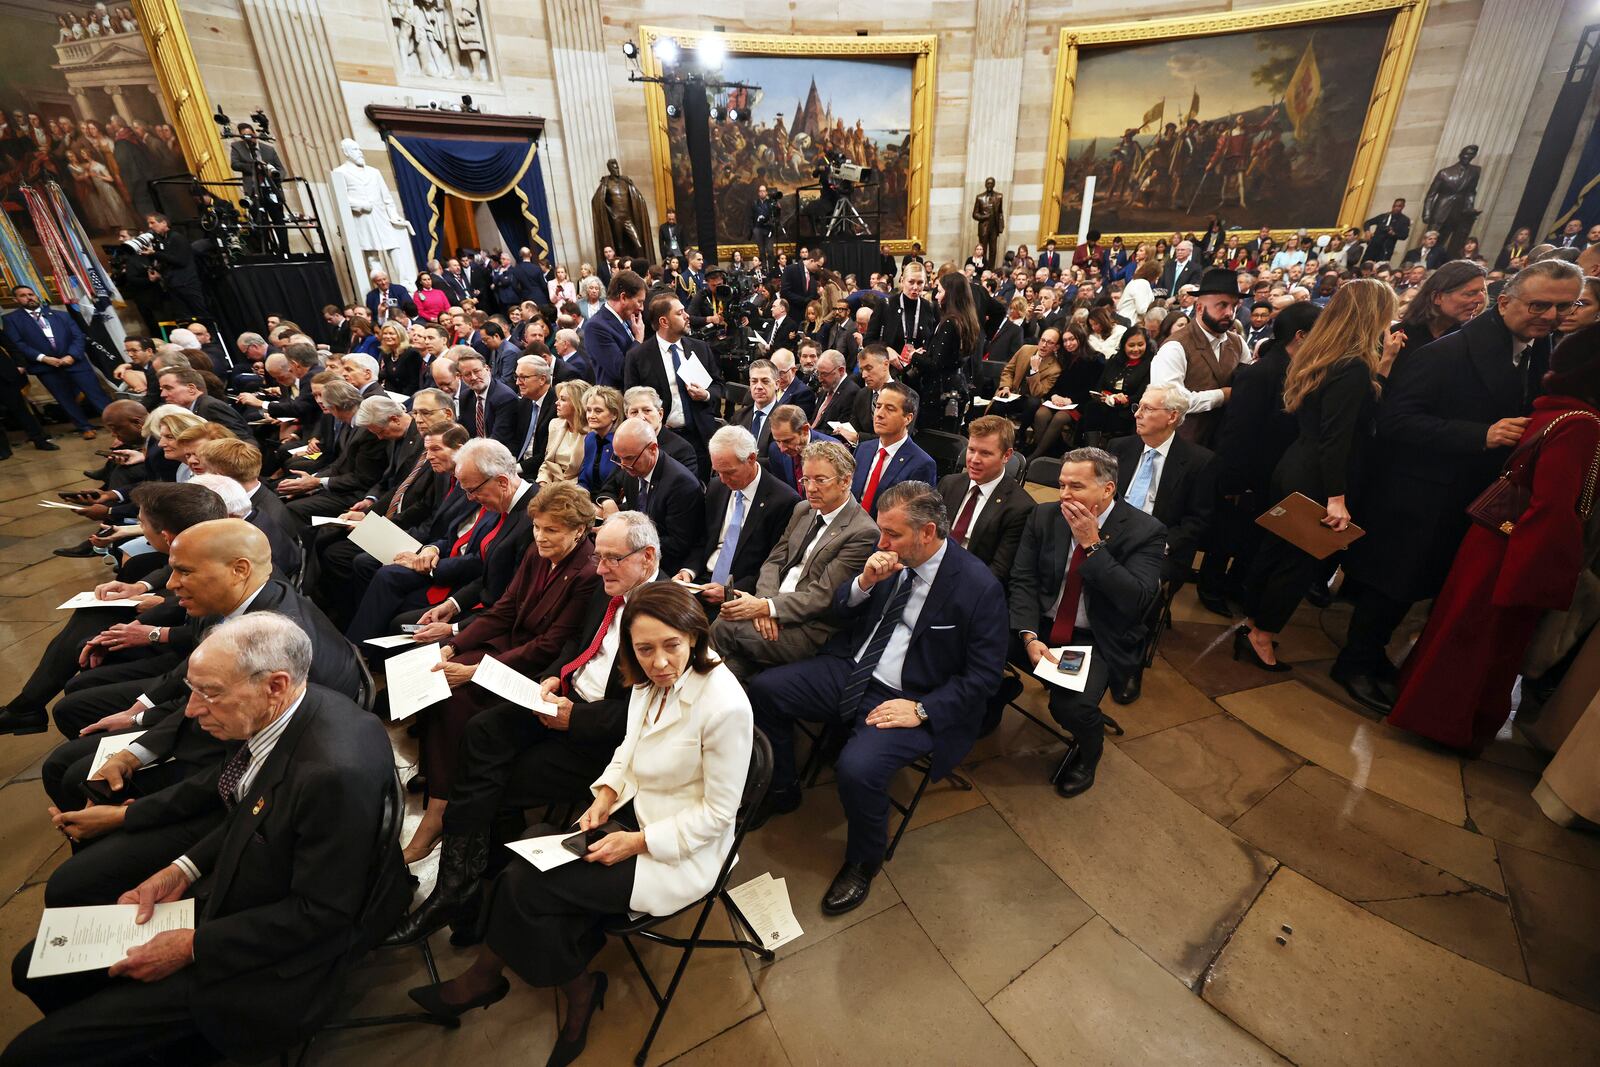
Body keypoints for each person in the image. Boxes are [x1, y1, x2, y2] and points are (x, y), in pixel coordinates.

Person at [4, 613, 407, 1066]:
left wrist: (193, 945)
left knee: (27, 1055)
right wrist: (182, 869)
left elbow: (323, 915)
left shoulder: (330, 774)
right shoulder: (288, 710)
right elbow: (249, 807)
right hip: (241, 898)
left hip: (272, 965)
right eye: (193, 690)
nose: (192, 710)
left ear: (275, 684)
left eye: (209, 693)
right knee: (32, 967)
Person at [406, 582, 750, 1067]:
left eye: (671, 645)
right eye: (644, 649)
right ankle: (559, 981)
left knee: (525, 884)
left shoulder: (725, 707)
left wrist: (637, 842)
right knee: (526, 848)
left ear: (694, 635)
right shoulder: (649, 681)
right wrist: (606, 794)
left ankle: (541, 984)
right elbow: (629, 747)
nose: (659, 662)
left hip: (680, 847)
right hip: (637, 810)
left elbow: (718, 816)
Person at [383, 512, 663, 946]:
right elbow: (576, 646)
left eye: (611, 558)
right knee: (480, 731)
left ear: (647, 558)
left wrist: (576, 717)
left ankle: (463, 894)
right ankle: (467, 888)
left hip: (602, 739)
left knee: (488, 784)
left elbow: (650, 715)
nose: (600, 566)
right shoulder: (611, 590)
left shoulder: (664, 618)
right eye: (600, 556)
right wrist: (553, 677)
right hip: (561, 700)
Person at [1333, 259, 1582, 711]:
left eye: (1563, 307)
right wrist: (1480, 434)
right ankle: (1353, 663)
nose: (1549, 316)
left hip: (1464, 495)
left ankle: (1373, 658)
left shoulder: (1538, 349)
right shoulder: (1447, 352)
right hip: (1419, 492)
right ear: (1504, 301)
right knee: (1392, 585)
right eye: (1539, 304)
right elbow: (1396, 421)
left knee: (1419, 587)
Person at [749, 481, 1005, 913]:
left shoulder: (978, 587)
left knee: (857, 769)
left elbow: (984, 676)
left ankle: (864, 861)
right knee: (763, 691)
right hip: (852, 668)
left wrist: (922, 709)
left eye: (893, 534)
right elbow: (839, 610)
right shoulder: (889, 561)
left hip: (910, 695)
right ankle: (784, 787)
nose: (880, 542)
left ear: (927, 533)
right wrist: (864, 583)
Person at [1386, 326, 1600, 751]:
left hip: (1495, 538)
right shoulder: (1583, 425)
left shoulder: (1557, 409)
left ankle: (1427, 712)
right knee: (1482, 642)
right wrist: (1546, 575)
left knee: (1458, 629)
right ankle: (1447, 726)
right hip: (1518, 548)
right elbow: (1554, 505)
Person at [403, 483, 603, 861]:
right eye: (537, 528)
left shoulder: (587, 573)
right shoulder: (536, 552)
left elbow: (549, 644)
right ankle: (441, 775)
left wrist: (478, 670)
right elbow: (504, 609)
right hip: (508, 645)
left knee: (457, 698)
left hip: (535, 668)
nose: (541, 537)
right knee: (434, 674)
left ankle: (439, 812)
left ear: (579, 530)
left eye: (552, 530)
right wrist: (455, 646)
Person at [1237, 282, 1392, 673]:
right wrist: (1336, 498)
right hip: (1318, 479)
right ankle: (1262, 636)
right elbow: (1336, 440)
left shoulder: (1320, 354)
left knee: (1273, 552)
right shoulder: (1352, 366)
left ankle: (1254, 622)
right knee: (1297, 564)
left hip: (1293, 465)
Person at [1008, 448, 1166, 796]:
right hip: (1041, 626)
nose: (1064, 494)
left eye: (1076, 486)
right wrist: (1029, 635)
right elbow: (1023, 580)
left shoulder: (1145, 531)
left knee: (1071, 708)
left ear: (1107, 489)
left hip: (1095, 637)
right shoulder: (1045, 516)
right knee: (973, 648)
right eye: (1062, 485)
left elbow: (1135, 599)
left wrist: (1092, 544)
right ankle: (992, 697)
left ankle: (1089, 750)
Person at [345, 439, 535, 643]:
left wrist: (453, 629)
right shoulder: (501, 502)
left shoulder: (532, 518)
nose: (470, 498)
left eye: (472, 490)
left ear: (502, 482)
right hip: (474, 596)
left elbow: (511, 598)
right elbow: (486, 569)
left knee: (403, 628)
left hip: (496, 619)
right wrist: (452, 605)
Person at [1197, 302, 1320, 616]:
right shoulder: (1262, 373)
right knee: (1226, 534)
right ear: (1301, 335)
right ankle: (1210, 587)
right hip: (1245, 472)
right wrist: (1233, 481)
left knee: (1252, 536)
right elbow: (1237, 431)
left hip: (1272, 472)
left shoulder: (1301, 371)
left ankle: (1236, 583)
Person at [1108, 382, 1215, 610]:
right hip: (1109, 535)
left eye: (1147, 409)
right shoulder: (1120, 448)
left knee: (1130, 590)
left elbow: (1198, 520)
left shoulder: (1199, 462)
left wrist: (1164, 545)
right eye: (1139, 406)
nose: (1137, 414)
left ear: (1172, 416)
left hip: (1159, 546)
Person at [676, 424, 800, 602]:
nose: (723, 479)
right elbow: (703, 539)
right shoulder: (716, 487)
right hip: (701, 582)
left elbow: (774, 564)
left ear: (751, 458)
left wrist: (731, 591)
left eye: (729, 472)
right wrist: (688, 571)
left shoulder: (784, 501)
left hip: (742, 591)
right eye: (717, 472)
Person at [622, 292, 722, 474]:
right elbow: (631, 400)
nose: (687, 316)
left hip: (701, 436)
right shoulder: (638, 356)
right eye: (680, 313)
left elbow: (719, 386)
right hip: (661, 440)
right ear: (664, 322)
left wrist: (706, 394)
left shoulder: (700, 348)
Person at [594, 417, 704, 575]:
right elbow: (623, 498)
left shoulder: (681, 484)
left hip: (666, 566)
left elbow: (678, 544)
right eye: (619, 457)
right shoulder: (632, 465)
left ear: (653, 449)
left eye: (629, 458)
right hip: (635, 555)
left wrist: (626, 538)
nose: (623, 465)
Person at [1150, 267, 1244, 447]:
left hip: (1225, 441)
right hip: (1184, 445)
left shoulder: (1237, 342)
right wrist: (1221, 396)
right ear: (1199, 308)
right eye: (1222, 305)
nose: (1229, 313)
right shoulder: (1175, 346)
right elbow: (1170, 401)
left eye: (1234, 306)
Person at [1, 283, 107, 438]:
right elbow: (17, 344)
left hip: (74, 362)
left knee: (96, 393)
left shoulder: (61, 315)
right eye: (23, 296)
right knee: (65, 399)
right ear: (16, 299)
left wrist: (71, 355)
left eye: (30, 294)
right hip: (46, 367)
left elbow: (78, 336)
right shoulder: (11, 319)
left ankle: (115, 422)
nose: (29, 298)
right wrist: (44, 358)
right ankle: (84, 427)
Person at [936, 415, 1031, 584]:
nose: (974, 460)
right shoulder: (949, 484)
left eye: (985, 453)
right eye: (971, 450)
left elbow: (999, 570)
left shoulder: (1020, 507)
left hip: (971, 585)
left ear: (1006, 455)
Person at [850, 382, 937, 515]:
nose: (879, 414)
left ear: (908, 418)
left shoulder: (922, 464)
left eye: (890, 409)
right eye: (878, 406)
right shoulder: (863, 449)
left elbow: (915, 516)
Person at [1389, 259, 1488, 370]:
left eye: (1483, 291)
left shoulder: (1473, 344)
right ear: (1437, 297)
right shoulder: (1396, 337)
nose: (1481, 299)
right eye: (1470, 294)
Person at [1025, 325, 1100, 461]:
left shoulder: (1095, 359)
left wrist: (1070, 400)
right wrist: (1054, 395)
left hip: (1080, 403)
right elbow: (1056, 385)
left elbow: (1093, 390)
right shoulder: (1065, 358)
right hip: (1060, 401)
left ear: (1080, 338)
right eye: (1065, 341)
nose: (1068, 344)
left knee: (1060, 417)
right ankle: (1047, 451)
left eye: (1071, 339)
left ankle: (1036, 455)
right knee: (1041, 414)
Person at [581, 269, 646, 388]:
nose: (641, 308)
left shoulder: (627, 318)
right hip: (617, 400)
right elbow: (621, 370)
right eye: (639, 302)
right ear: (623, 297)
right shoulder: (596, 327)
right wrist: (638, 340)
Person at [536, 379, 592, 485]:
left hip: (575, 488)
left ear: (577, 404)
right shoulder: (555, 424)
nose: (557, 403)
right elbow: (547, 464)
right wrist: (542, 483)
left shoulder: (592, 432)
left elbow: (586, 475)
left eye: (563, 399)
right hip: (549, 485)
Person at [510, 354, 557, 477]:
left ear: (542, 379)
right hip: (518, 467)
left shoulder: (557, 406)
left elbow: (547, 454)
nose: (517, 382)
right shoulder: (525, 402)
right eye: (517, 376)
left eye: (523, 377)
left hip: (541, 473)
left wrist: (516, 469)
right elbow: (516, 439)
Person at [575, 384, 623, 492]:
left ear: (614, 414)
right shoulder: (590, 438)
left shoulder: (620, 442)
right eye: (588, 410)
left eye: (598, 411)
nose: (591, 416)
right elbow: (583, 479)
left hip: (611, 501)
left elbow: (617, 485)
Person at [809, 349, 861, 432]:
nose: (820, 379)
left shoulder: (851, 393)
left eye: (824, 374)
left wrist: (810, 433)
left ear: (841, 370)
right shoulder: (826, 389)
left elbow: (840, 432)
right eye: (818, 373)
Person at [1363, 198, 1412, 263]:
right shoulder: (1384, 216)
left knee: (1381, 268)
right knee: (1365, 264)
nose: (1396, 208)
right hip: (1373, 246)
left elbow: (1404, 236)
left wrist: (1394, 234)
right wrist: (1367, 231)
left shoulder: (1404, 220)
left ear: (1403, 207)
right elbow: (1367, 222)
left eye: (1399, 206)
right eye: (1394, 206)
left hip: (1386, 249)